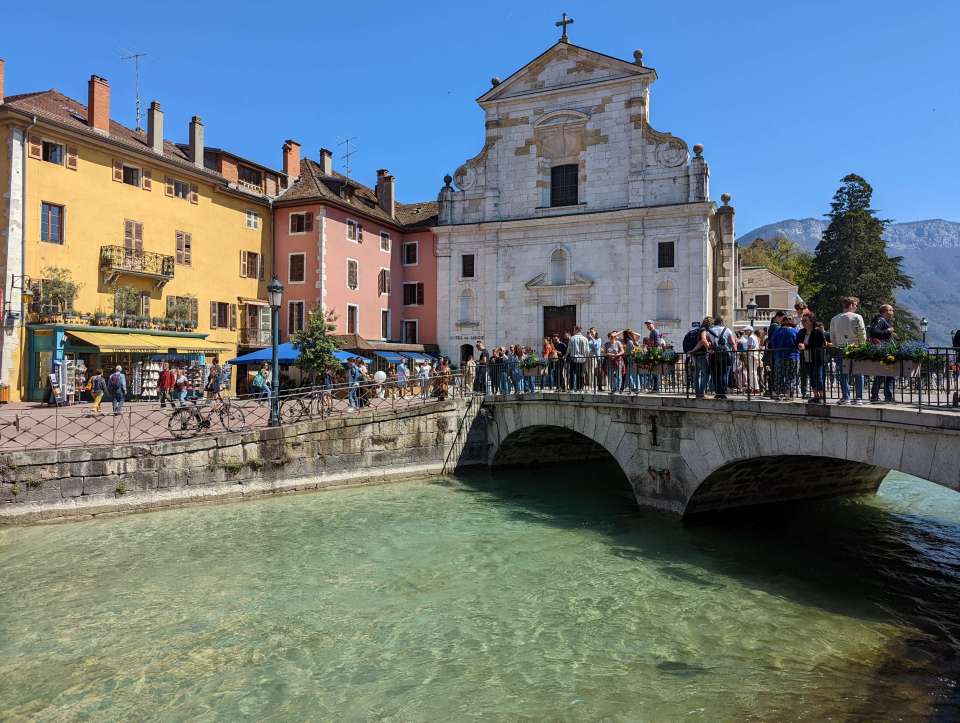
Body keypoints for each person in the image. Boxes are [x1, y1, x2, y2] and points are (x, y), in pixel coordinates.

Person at [829, 296, 867, 405]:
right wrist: (862, 346)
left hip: (841, 348)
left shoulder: (834, 319)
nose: (856, 307)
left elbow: (832, 336)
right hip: (856, 347)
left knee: (843, 373)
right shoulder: (857, 317)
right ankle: (859, 398)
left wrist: (837, 345)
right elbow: (862, 334)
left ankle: (846, 397)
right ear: (850, 305)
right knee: (858, 373)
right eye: (856, 305)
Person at [868, 303, 896, 403]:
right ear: (885, 311)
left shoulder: (882, 320)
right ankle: (882, 396)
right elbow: (874, 332)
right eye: (891, 310)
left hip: (885, 349)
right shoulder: (880, 320)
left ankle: (882, 396)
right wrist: (888, 330)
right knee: (885, 373)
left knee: (886, 373)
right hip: (884, 350)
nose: (893, 312)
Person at [797, 314, 827, 403]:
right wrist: (799, 344)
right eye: (802, 321)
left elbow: (820, 343)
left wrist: (805, 346)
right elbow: (797, 341)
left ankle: (821, 396)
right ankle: (815, 395)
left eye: (805, 321)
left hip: (817, 357)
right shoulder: (801, 332)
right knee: (811, 376)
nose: (803, 322)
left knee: (818, 376)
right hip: (806, 356)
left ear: (811, 321)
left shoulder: (818, 331)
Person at [706, 317, 736, 399]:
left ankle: (717, 392)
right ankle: (723, 391)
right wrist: (735, 352)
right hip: (725, 354)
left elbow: (708, 344)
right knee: (724, 374)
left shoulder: (709, 331)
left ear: (715, 322)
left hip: (714, 355)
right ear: (722, 322)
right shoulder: (727, 330)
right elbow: (733, 343)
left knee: (715, 374)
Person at [771, 316, 800, 400]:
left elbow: (773, 343)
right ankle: (789, 394)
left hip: (779, 355)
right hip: (793, 356)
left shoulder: (777, 332)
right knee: (791, 376)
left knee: (779, 375)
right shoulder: (795, 331)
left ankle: (777, 393)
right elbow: (798, 343)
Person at [567, 326, 590, 392]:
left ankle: (571, 388)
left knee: (572, 374)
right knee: (581, 374)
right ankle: (580, 388)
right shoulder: (585, 339)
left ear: (576, 330)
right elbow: (587, 350)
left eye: (574, 330)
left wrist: (565, 356)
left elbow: (569, 349)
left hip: (573, 359)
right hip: (582, 359)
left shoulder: (572, 338)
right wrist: (586, 357)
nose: (573, 331)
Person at [644, 320, 664, 392]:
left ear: (653, 324)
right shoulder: (655, 331)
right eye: (647, 324)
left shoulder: (654, 332)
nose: (648, 326)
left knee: (655, 370)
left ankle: (656, 388)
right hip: (656, 352)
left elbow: (655, 343)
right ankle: (656, 387)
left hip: (655, 352)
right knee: (655, 370)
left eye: (649, 324)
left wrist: (649, 348)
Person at [587, 327, 604, 391]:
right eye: (590, 332)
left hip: (596, 357)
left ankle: (598, 386)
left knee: (597, 373)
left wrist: (591, 338)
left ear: (595, 332)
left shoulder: (599, 339)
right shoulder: (588, 340)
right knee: (590, 372)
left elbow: (597, 347)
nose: (591, 333)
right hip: (589, 357)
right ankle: (591, 385)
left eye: (592, 332)